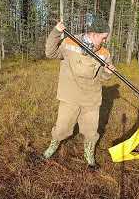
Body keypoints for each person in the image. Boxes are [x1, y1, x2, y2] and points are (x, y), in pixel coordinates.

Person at [42, 18, 116, 170]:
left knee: (90, 131)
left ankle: (89, 154)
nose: (105, 40)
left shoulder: (104, 53)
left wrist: (108, 73)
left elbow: (102, 77)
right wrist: (56, 32)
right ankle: (53, 146)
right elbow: (50, 53)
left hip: (91, 99)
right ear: (94, 34)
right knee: (62, 128)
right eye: (103, 37)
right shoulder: (70, 42)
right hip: (70, 96)